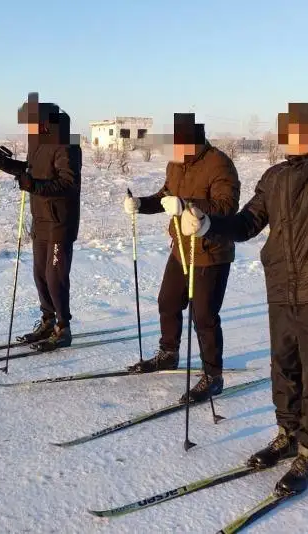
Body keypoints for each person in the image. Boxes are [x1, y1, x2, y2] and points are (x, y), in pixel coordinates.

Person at [180, 41, 308, 495]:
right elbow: (247, 223)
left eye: (291, 131)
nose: (282, 140)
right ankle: (287, 436)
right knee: (283, 368)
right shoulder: (275, 177)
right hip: (281, 287)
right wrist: (207, 222)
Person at [123, 112, 240, 403]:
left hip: (211, 251)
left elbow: (226, 206)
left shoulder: (219, 163)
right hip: (181, 246)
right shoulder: (176, 163)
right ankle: (169, 354)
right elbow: (166, 197)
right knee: (167, 301)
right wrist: (140, 204)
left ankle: (213, 375)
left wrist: (187, 204)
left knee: (203, 316)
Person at [0, 92, 83, 352]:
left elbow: (68, 183)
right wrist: (5, 164)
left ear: (44, 122)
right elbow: (30, 171)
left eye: (31, 123)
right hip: (40, 219)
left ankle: (63, 328)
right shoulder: (38, 141)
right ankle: (47, 321)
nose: (27, 129)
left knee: (55, 277)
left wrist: (34, 186)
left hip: (60, 222)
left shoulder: (67, 143)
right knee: (40, 275)